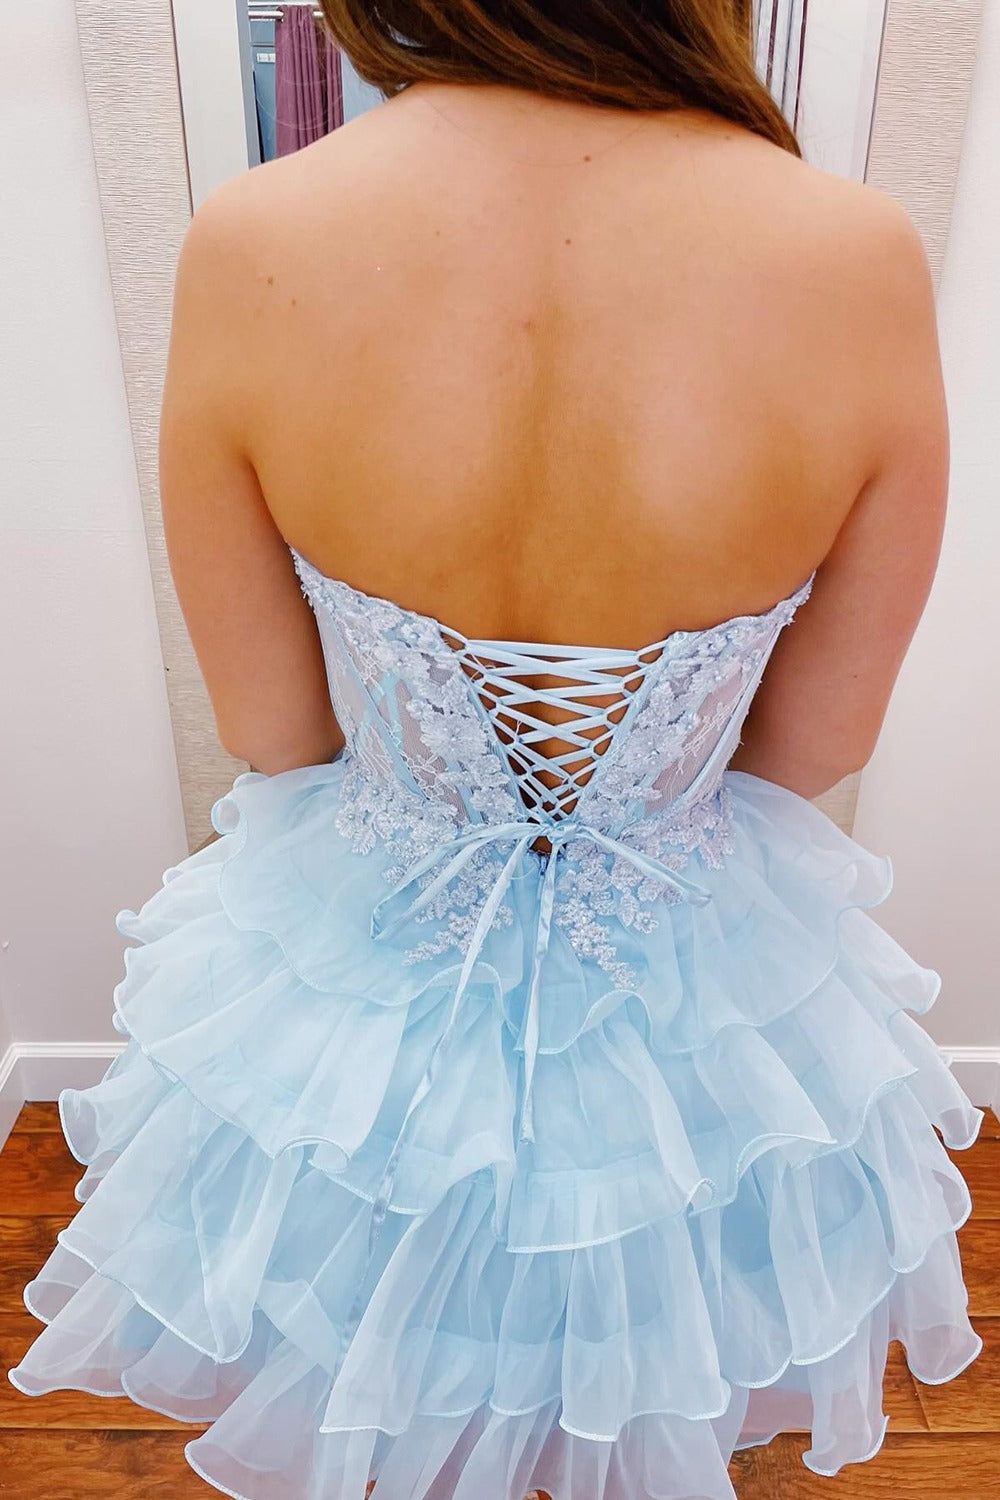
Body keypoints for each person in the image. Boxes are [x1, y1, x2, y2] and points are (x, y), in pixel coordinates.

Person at [7, 4, 985, 1497]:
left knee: (384, 1377)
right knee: (633, 1382)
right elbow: (812, 748)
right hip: (688, 1000)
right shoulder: (854, 256)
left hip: (366, 987)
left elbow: (271, 732)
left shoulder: (257, 236)